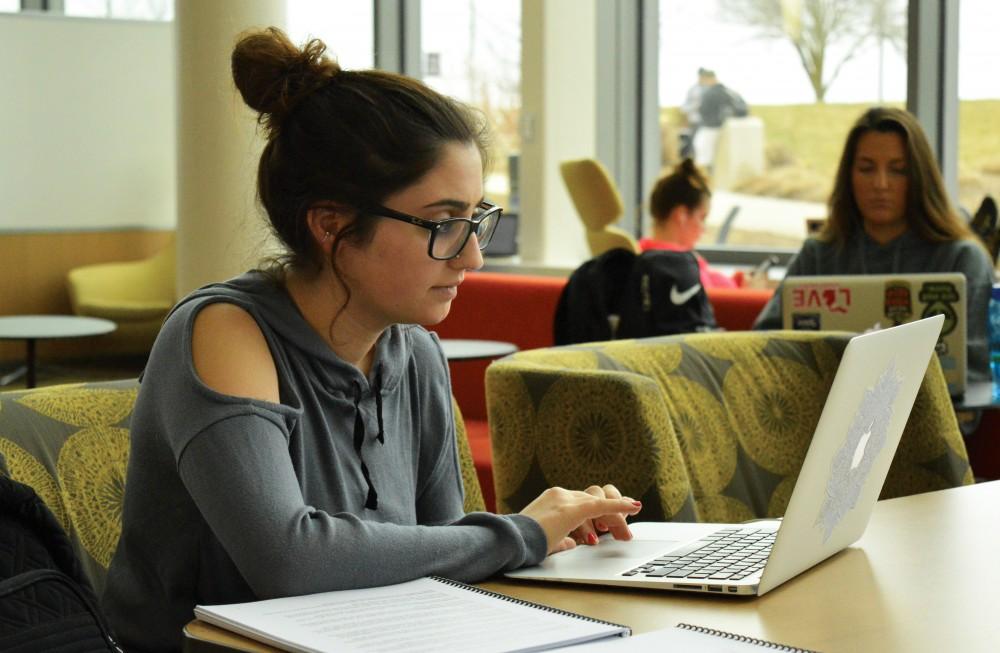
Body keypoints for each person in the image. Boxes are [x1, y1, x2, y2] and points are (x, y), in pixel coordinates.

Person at [101, 27, 641, 652]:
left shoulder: (414, 352)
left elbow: (442, 551)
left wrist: (555, 531)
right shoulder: (225, 331)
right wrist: (519, 533)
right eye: (442, 224)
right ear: (332, 226)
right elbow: (288, 560)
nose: (472, 257)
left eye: (476, 221)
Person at [753, 106, 994, 384]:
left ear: (919, 178)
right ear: (849, 177)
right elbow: (763, 348)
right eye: (867, 169)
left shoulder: (962, 260)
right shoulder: (817, 256)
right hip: (821, 417)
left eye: (898, 170)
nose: (881, 184)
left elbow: (977, 373)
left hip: (930, 421)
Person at [640, 158, 741, 289]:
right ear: (681, 215)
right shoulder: (686, 270)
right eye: (702, 218)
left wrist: (737, 281)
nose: (704, 229)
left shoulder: (639, 255)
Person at [692, 70, 748, 170]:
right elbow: (742, 110)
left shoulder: (710, 93)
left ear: (707, 78)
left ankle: (706, 178)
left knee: (703, 154)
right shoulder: (729, 92)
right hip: (725, 127)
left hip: (710, 128)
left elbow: (703, 110)